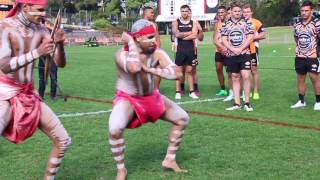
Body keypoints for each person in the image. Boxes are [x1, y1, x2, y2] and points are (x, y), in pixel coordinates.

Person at [108, 19, 189, 180]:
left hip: (152, 97)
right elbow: (134, 67)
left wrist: (152, 70)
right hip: (129, 99)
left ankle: (169, 160)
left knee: (182, 118)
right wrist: (130, 41)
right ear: (138, 38)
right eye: (150, 37)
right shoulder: (121, 54)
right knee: (114, 129)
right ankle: (121, 170)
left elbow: (178, 74)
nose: (155, 41)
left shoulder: (158, 53)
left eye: (155, 36)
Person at [0, 0, 71, 179]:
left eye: (44, 10)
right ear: (26, 7)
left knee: (63, 141)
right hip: (4, 92)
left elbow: (60, 64)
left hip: (29, 94)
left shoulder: (41, 30)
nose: (43, 14)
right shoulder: (5, 27)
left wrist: (60, 44)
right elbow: (5, 66)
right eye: (39, 10)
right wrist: (37, 53)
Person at [221, 1, 254, 111]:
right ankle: (237, 103)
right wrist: (233, 49)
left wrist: (240, 48)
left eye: (239, 11)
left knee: (245, 76)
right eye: (235, 11)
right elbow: (224, 39)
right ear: (231, 11)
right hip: (232, 54)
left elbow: (250, 37)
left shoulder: (247, 23)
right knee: (235, 77)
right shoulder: (226, 24)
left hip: (244, 53)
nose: (237, 13)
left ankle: (247, 103)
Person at [291, 0, 320, 110]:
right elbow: (296, 37)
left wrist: (317, 51)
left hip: (312, 56)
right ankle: (301, 101)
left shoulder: (316, 23)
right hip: (300, 56)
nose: (304, 13)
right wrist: (298, 47)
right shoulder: (297, 24)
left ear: (311, 11)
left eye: (306, 11)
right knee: (300, 79)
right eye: (302, 11)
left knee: (314, 78)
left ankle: (318, 102)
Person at [172, 4, 199, 100]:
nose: (184, 13)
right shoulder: (176, 22)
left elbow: (195, 35)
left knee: (190, 71)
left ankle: (192, 92)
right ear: (180, 12)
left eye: (186, 11)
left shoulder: (193, 22)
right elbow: (176, 34)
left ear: (188, 12)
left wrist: (183, 36)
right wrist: (189, 33)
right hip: (180, 50)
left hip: (191, 50)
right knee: (179, 72)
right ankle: (178, 92)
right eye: (182, 11)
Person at [242, 4, 266, 100]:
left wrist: (251, 38)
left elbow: (263, 35)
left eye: (248, 12)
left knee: (254, 70)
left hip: (253, 50)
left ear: (251, 12)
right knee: (243, 71)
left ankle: (255, 91)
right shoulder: (240, 23)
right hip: (242, 50)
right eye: (244, 12)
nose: (246, 14)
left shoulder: (256, 22)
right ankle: (246, 90)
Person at [141, 6, 162, 89]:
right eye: (151, 12)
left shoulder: (154, 24)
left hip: (154, 52)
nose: (153, 14)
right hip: (143, 52)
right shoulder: (139, 24)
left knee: (159, 69)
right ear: (145, 13)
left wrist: (158, 51)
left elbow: (157, 39)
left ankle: (156, 90)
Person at [38, 21, 58, 100]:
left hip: (52, 58)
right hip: (43, 58)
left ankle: (52, 95)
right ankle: (41, 95)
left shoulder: (51, 33)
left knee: (53, 78)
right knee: (42, 78)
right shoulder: (40, 34)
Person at [213, 5, 229, 98]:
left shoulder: (230, 23)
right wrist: (221, 48)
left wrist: (226, 49)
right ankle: (223, 89)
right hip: (219, 51)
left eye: (222, 12)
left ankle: (233, 90)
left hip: (228, 51)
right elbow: (214, 39)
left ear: (226, 13)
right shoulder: (217, 24)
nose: (220, 14)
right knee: (218, 69)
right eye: (219, 13)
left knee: (230, 72)